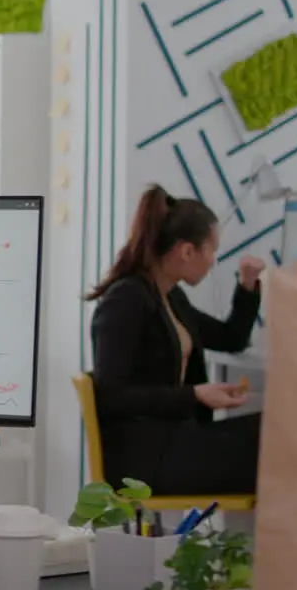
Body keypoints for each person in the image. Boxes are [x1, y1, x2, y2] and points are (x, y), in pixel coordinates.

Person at [87, 184, 265, 496]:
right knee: (276, 444)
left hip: (173, 441)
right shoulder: (127, 299)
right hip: (144, 461)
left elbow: (230, 338)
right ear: (186, 251)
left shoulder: (171, 298)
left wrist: (248, 284)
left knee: (275, 427)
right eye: (211, 250)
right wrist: (194, 395)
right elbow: (111, 396)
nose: (212, 261)